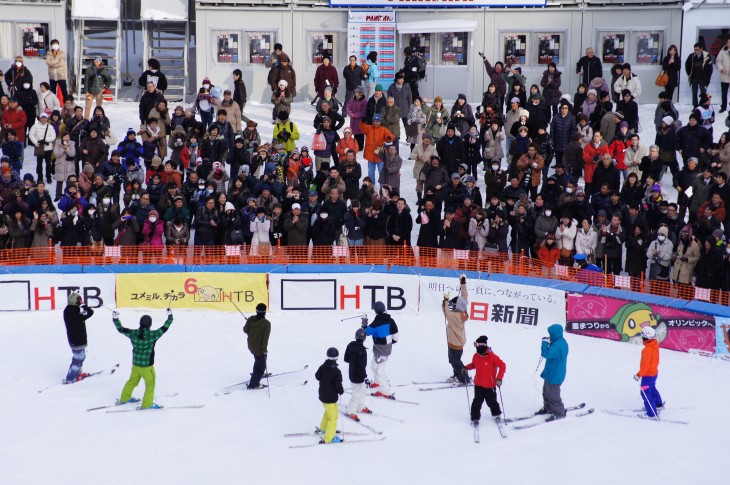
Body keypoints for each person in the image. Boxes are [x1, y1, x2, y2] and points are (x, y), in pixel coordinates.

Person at [112, 308, 173, 409]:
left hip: (136, 365)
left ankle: (124, 398)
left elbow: (121, 329)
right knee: (150, 384)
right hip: (147, 367)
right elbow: (165, 327)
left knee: (132, 381)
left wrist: (115, 318)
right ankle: (147, 404)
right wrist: (170, 316)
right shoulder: (153, 335)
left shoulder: (133, 333)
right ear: (150, 324)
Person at [463, 335, 505, 426]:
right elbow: (474, 364)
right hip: (478, 384)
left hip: (490, 386)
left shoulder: (492, 356)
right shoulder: (476, 356)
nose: (477, 349)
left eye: (477, 346)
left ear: (482, 346)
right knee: (476, 402)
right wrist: (466, 367)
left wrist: (499, 378)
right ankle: (475, 418)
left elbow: (502, 365)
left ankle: (497, 414)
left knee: (492, 402)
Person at [362, 301, 399, 398]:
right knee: (374, 366)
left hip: (381, 350)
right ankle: (377, 383)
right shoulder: (390, 320)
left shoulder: (376, 323)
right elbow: (396, 337)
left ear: (375, 311)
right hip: (384, 349)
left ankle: (386, 392)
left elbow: (366, 332)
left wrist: (364, 321)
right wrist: (389, 342)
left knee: (379, 370)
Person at [62, 291, 94, 384]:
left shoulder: (68, 310)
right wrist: (84, 305)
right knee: (79, 358)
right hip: (78, 340)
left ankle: (77, 374)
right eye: (79, 300)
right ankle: (71, 378)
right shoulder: (76, 314)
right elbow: (90, 312)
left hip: (73, 339)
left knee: (78, 356)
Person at [443, 274, 469, 385]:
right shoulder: (463, 311)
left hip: (453, 343)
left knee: (455, 361)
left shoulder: (453, 317)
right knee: (455, 360)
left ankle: (464, 378)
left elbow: (445, 311)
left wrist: (445, 300)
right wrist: (463, 282)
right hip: (459, 343)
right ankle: (456, 374)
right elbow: (464, 296)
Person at [538, 324, 568, 420]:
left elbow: (546, 353)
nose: (549, 336)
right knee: (546, 392)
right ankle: (548, 408)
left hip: (555, 374)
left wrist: (544, 343)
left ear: (555, 334)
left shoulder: (559, 344)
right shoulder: (557, 341)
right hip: (550, 372)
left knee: (553, 395)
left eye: (551, 334)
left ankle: (559, 413)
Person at [315, 347, 344, 444]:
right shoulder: (336, 371)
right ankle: (329, 437)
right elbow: (338, 385)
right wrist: (340, 390)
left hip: (323, 395)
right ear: (337, 358)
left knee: (328, 413)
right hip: (331, 398)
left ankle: (324, 428)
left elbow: (317, 376)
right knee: (333, 418)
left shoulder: (323, 366)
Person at [634, 326, 664, 418]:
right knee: (652, 389)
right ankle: (658, 405)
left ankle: (652, 413)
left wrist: (638, 375)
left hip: (647, 375)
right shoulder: (655, 345)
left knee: (645, 393)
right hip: (654, 372)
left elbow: (645, 366)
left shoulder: (646, 350)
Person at [343, 328, 371, 421]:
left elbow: (346, 359)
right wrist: (365, 377)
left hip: (352, 372)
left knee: (362, 391)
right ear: (364, 338)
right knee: (357, 394)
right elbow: (362, 366)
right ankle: (350, 411)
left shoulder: (350, 345)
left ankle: (360, 407)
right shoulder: (362, 350)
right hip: (358, 376)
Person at [243, 303, 271, 390]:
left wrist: (249, 324)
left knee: (258, 360)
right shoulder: (266, 323)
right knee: (261, 365)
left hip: (251, 345)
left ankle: (258, 373)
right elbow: (265, 339)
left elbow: (245, 330)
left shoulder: (251, 319)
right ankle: (254, 384)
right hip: (259, 348)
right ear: (264, 312)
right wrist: (264, 350)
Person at [685, 43, 713, 108]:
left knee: (704, 93)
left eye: (697, 50)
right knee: (694, 93)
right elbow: (687, 65)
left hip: (703, 78)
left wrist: (707, 81)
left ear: (701, 49)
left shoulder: (707, 56)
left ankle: (703, 105)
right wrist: (689, 74)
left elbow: (710, 70)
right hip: (694, 78)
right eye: (695, 50)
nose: (696, 51)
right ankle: (695, 107)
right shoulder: (691, 56)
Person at [718, 38, 730, 113]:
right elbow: (718, 61)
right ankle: (723, 106)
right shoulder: (722, 51)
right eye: (728, 42)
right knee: (724, 92)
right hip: (725, 74)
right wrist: (721, 68)